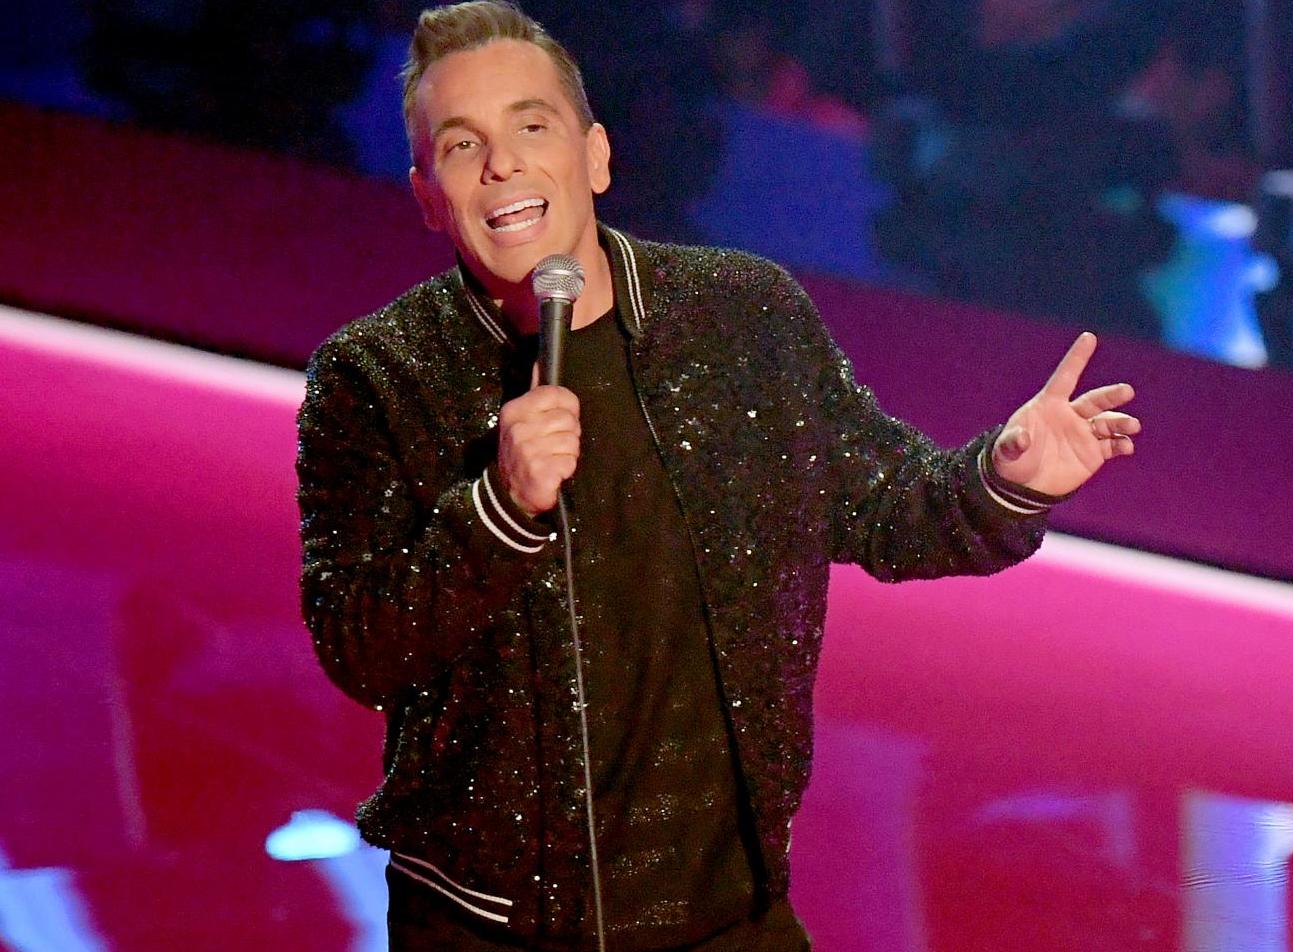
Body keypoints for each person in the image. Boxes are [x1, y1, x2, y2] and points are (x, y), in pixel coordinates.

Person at [295, 3, 1141, 949]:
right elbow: (358, 644)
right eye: (461, 145)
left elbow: (889, 505)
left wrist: (1004, 478)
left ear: (597, 156)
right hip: (490, 926)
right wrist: (497, 509)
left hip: (728, 916)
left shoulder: (742, 316)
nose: (502, 166)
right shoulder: (378, 375)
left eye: (532, 127)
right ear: (425, 193)